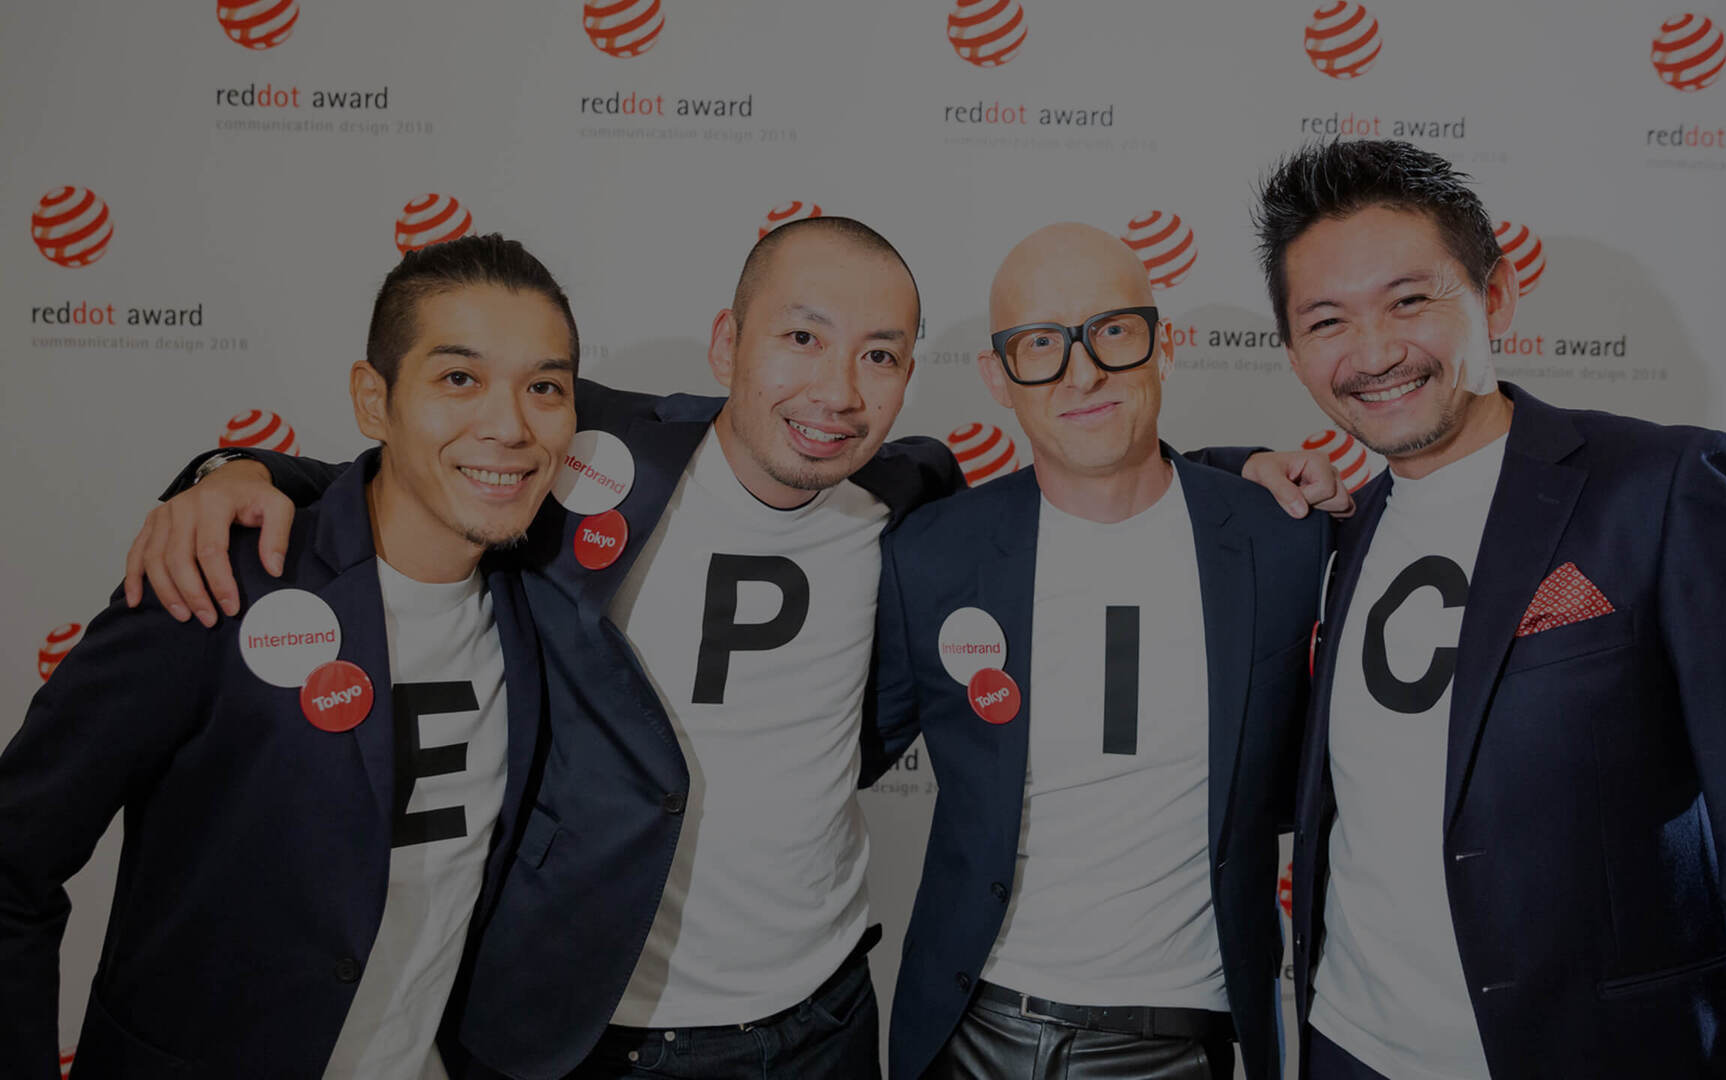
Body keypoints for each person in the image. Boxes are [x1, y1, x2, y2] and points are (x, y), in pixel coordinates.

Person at [120, 216, 1350, 1080]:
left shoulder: (907, 501)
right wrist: (238, 472)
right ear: (726, 345)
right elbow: (428, 469)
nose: (838, 389)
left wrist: (1242, 473)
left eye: (880, 357)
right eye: (801, 339)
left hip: (825, 1028)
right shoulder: (590, 452)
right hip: (588, 1030)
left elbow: (1101, 475)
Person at [1254, 139, 1726, 1079]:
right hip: (1352, 1051)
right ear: (1293, 352)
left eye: (1409, 301)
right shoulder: (1332, 533)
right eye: (1327, 321)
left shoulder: (1664, 491)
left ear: (1498, 295)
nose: (1375, 352)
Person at [0, 233, 578, 1078]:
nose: (509, 425)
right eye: (459, 378)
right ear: (373, 400)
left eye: (545, 387)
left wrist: (251, 465)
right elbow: (12, 861)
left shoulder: (549, 598)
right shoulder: (213, 581)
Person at [870, 224, 1328, 1080]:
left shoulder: (1283, 541)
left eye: (1112, 331)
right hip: (969, 1034)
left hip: (1176, 1044)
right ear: (998, 377)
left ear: (1164, 344)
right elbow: (837, 757)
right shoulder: (932, 557)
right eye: (1040, 344)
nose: (1081, 373)